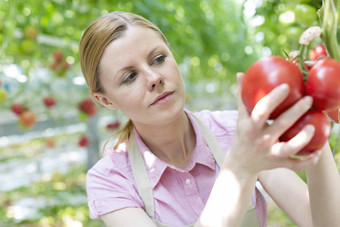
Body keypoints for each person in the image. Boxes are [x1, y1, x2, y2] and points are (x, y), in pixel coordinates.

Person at [79, 11, 340, 227]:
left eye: (158, 59)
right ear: (105, 100)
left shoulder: (234, 130)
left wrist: (312, 112)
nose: (154, 77)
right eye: (129, 77)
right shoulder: (110, 181)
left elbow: (323, 222)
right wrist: (240, 168)